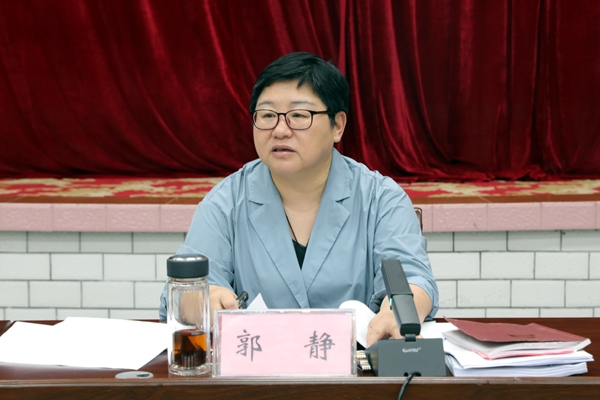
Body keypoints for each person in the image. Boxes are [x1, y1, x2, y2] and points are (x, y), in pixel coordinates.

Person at [159, 52, 438, 346]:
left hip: (356, 366)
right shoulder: (226, 202)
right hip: (258, 366)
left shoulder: (381, 199)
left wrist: (397, 312)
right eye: (267, 116)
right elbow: (183, 292)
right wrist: (203, 299)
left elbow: (412, 281)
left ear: (338, 125)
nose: (280, 130)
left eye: (299, 116)